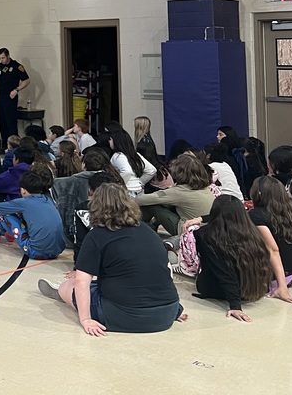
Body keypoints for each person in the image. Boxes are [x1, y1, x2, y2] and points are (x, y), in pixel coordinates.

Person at [38, 183, 187, 334]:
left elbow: (81, 281)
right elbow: (166, 270)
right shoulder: (148, 231)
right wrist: (174, 309)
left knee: (69, 286)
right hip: (168, 313)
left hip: (124, 315)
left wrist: (86, 319)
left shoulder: (97, 235)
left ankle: (64, 295)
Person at [191, 195, 271, 322]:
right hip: (253, 288)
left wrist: (235, 306)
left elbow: (224, 272)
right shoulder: (252, 232)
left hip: (216, 289)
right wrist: (201, 218)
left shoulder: (207, 235)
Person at [0, 170, 64, 259]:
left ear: (23, 190)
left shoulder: (24, 202)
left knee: (5, 215)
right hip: (56, 252)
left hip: (35, 252)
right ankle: (8, 232)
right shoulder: (48, 200)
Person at [134, 154, 214, 236]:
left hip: (188, 231)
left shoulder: (178, 192)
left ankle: (138, 229)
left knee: (152, 205)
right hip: (207, 228)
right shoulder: (204, 187)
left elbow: (140, 200)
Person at [247, 176, 292, 300]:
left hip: (277, 275)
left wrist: (282, 286)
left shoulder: (256, 215)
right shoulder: (289, 212)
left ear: (258, 193)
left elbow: (272, 250)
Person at [0, 48, 30, 142]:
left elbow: (26, 80)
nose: (1, 60)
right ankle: (4, 144)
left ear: (8, 56)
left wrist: (17, 90)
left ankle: (14, 145)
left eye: (3, 58)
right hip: (1, 97)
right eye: (0, 58)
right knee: (2, 122)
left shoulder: (17, 66)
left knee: (10, 122)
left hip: (11, 97)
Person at [108, 127, 155, 196]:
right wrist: (140, 182)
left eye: (110, 139)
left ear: (116, 142)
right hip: (139, 191)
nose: (109, 141)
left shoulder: (117, 156)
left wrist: (116, 184)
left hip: (125, 191)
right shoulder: (135, 155)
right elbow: (152, 170)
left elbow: (127, 171)